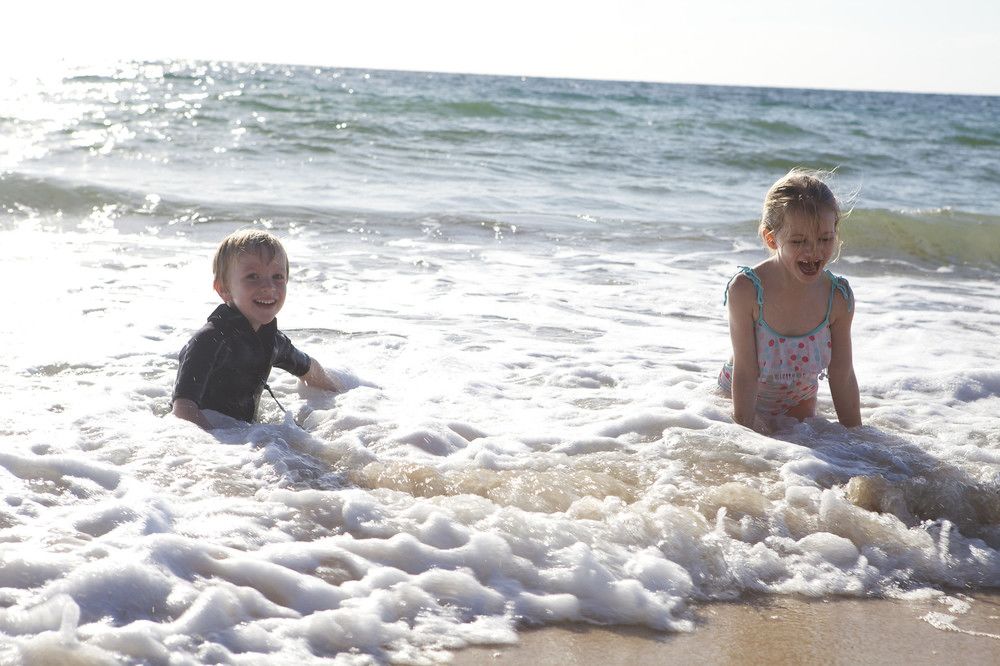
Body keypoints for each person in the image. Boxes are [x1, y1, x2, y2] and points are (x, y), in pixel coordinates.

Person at [718, 169, 861, 431]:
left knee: (809, 450)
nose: (813, 251)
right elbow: (746, 372)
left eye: (825, 239)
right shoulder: (747, 290)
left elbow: (842, 375)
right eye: (798, 241)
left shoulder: (837, 297)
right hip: (738, 401)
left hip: (798, 403)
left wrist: (856, 439)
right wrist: (743, 434)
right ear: (771, 238)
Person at [172, 229, 344, 429]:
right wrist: (220, 443)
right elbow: (182, 410)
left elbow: (308, 368)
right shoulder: (209, 340)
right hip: (206, 439)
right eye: (253, 276)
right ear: (224, 289)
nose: (269, 286)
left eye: (277, 276)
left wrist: (342, 396)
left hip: (243, 436)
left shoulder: (271, 340)